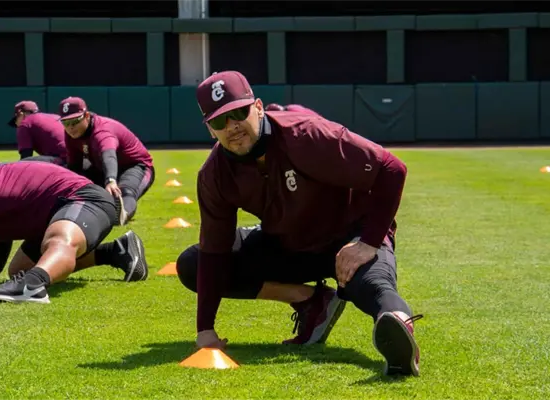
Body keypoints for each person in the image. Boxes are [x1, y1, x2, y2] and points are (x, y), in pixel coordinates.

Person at [175, 71, 423, 377]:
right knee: (194, 264)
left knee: (373, 287)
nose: (232, 126)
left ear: (258, 107)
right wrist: (205, 329)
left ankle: (398, 332)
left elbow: (391, 169)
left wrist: (369, 242)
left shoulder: (305, 134)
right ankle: (312, 302)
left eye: (238, 113)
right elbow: (215, 251)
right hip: (292, 245)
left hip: (350, 236)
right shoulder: (215, 174)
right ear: (210, 130)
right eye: (219, 121)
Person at [0, 161, 148, 304]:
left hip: (85, 199)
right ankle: (116, 251)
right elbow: (0, 221)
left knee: (58, 240)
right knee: (20, 269)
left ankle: (32, 287)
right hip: (57, 208)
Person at [58, 97, 155, 226]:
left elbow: (109, 156)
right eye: (65, 123)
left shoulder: (102, 130)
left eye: (75, 121)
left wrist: (110, 180)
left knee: (124, 191)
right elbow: (75, 166)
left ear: (86, 116)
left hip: (137, 166)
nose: (70, 127)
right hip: (102, 168)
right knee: (82, 187)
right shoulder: (71, 135)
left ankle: (122, 215)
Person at [7, 100, 67, 165]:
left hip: (62, 160)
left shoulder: (25, 123)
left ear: (21, 114)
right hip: (73, 157)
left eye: (16, 120)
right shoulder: (54, 116)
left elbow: (26, 155)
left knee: (23, 163)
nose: (16, 124)